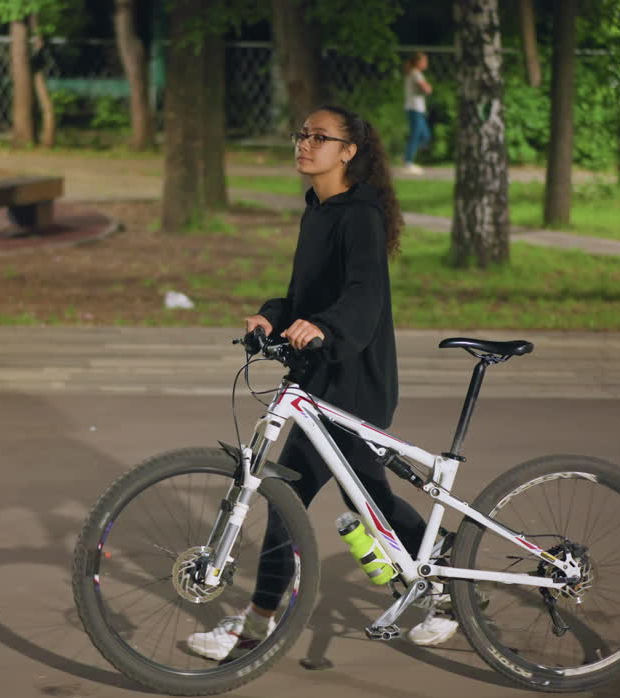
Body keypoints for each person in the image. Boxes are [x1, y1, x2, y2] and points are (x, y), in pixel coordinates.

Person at [186, 105, 458, 662]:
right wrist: (271, 314)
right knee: (348, 501)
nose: (304, 144)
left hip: (354, 379)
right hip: (322, 378)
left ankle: (258, 628)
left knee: (312, 500)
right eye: (301, 135)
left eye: (320, 137)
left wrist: (326, 328)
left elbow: (363, 297)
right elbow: (304, 298)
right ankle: (445, 579)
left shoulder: (358, 217)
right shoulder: (319, 210)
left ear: (349, 151)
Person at [402, 51, 433, 175]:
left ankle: (407, 155)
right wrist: (428, 88)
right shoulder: (416, 73)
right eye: (424, 61)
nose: (426, 63)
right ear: (418, 62)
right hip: (414, 108)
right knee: (416, 135)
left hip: (417, 109)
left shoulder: (415, 73)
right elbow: (427, 89)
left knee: (425, 136)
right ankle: (408, 162)